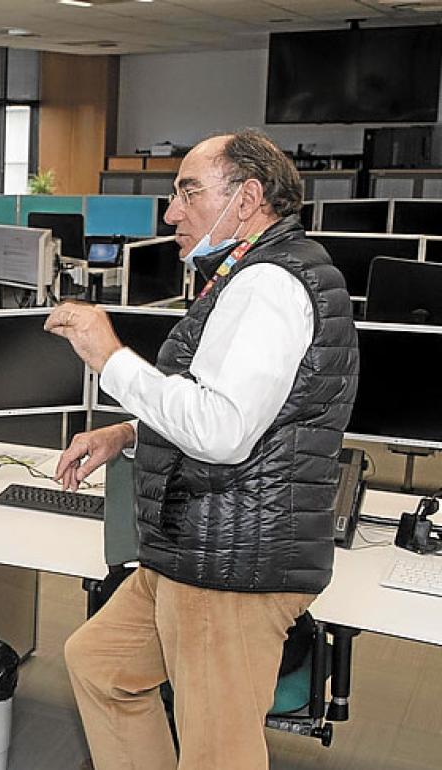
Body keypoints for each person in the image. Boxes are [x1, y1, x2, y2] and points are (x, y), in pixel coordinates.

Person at [44, 129, 359, 770]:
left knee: (218, 753)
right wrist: (130, 433)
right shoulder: (246, 275)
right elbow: (233, 407)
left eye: (188, 193)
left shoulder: (269, 284)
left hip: (232, 562)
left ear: (246, 199)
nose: (171, 213)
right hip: (197, 546)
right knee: (101, 665)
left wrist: (109, 357)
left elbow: (222, 432)